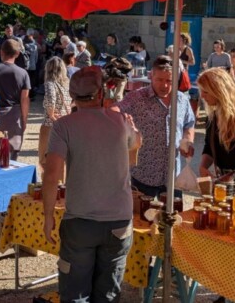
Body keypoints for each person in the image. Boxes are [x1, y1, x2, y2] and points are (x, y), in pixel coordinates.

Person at [42, 66, 141, 303]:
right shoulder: (121, 120)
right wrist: (131, 129)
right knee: (108, 293)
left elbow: (51, 173)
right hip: (118, 219)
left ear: (72, 96)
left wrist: (48, 216)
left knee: (75, 293)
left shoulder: (64, 125)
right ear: (100, 94)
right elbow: (135, 148)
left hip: (80, 220)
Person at [118, 55, 195, 197]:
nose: (164, 85)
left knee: (173, 217)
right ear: (151, 76)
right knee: (142, 217)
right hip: (143, 175)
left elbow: (189, 122)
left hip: (173, 176)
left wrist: (188, 139)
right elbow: (115, 112)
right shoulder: (136, 98)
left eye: (169, 81)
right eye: (159, 79)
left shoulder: (182, 100)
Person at [0, 39, 31, 159]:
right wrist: (24, 120)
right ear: (17, 54)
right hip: (14, 117)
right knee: (12, 154)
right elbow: (25, 99)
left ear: (1, 51)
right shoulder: (23, 74)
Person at [39, 56, 71, 176]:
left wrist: (51, 114)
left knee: (45, 160)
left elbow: (50, 99)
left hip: (50, 124)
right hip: (65, 123)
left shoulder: (49, 84)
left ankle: (48, 188)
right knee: (61, 160)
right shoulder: (67, 84)